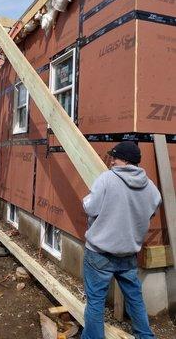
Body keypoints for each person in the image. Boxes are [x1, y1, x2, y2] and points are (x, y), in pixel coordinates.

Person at [81, 141, 161, 339]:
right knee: (135, 299)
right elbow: (151, 210)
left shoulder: (107, 179)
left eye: (114, 158)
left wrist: (87, 200)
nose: (111, 162)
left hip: (99, 254)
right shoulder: (151, 188)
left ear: (122, 160)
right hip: (128, 254)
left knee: (95, 303)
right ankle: (146, 337)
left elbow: (90, 208)